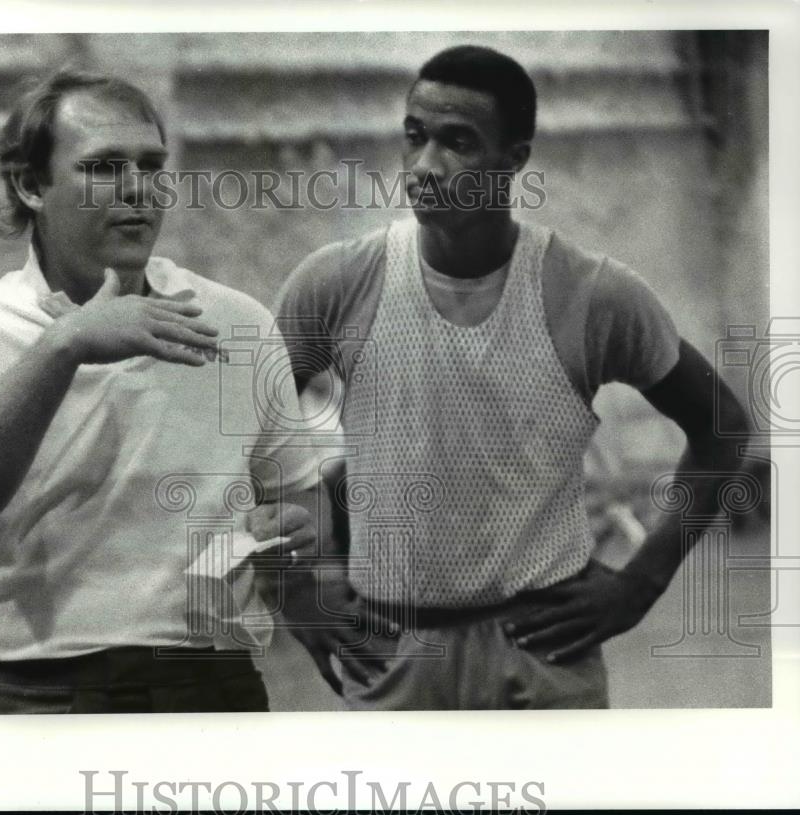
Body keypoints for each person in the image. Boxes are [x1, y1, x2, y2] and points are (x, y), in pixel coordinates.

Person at [274, 44, 750, 709]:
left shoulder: (592, 294)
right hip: (397, 658)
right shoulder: (339, 282)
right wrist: (297, 587)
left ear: (515, 158)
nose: (424, 166)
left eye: (458, 142)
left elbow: (722, 425)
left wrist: (641, 580)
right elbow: (247, 434)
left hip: (543, 658)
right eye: (415, 137)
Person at [0, 69, 319, 714]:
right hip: (40, 693)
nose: (137, 190)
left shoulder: (236, 322)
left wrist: (289, 529)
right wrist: (64, 347)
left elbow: (302, 505)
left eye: (151, 165)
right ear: (32, 184)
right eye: (104, 166)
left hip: (214, 685)